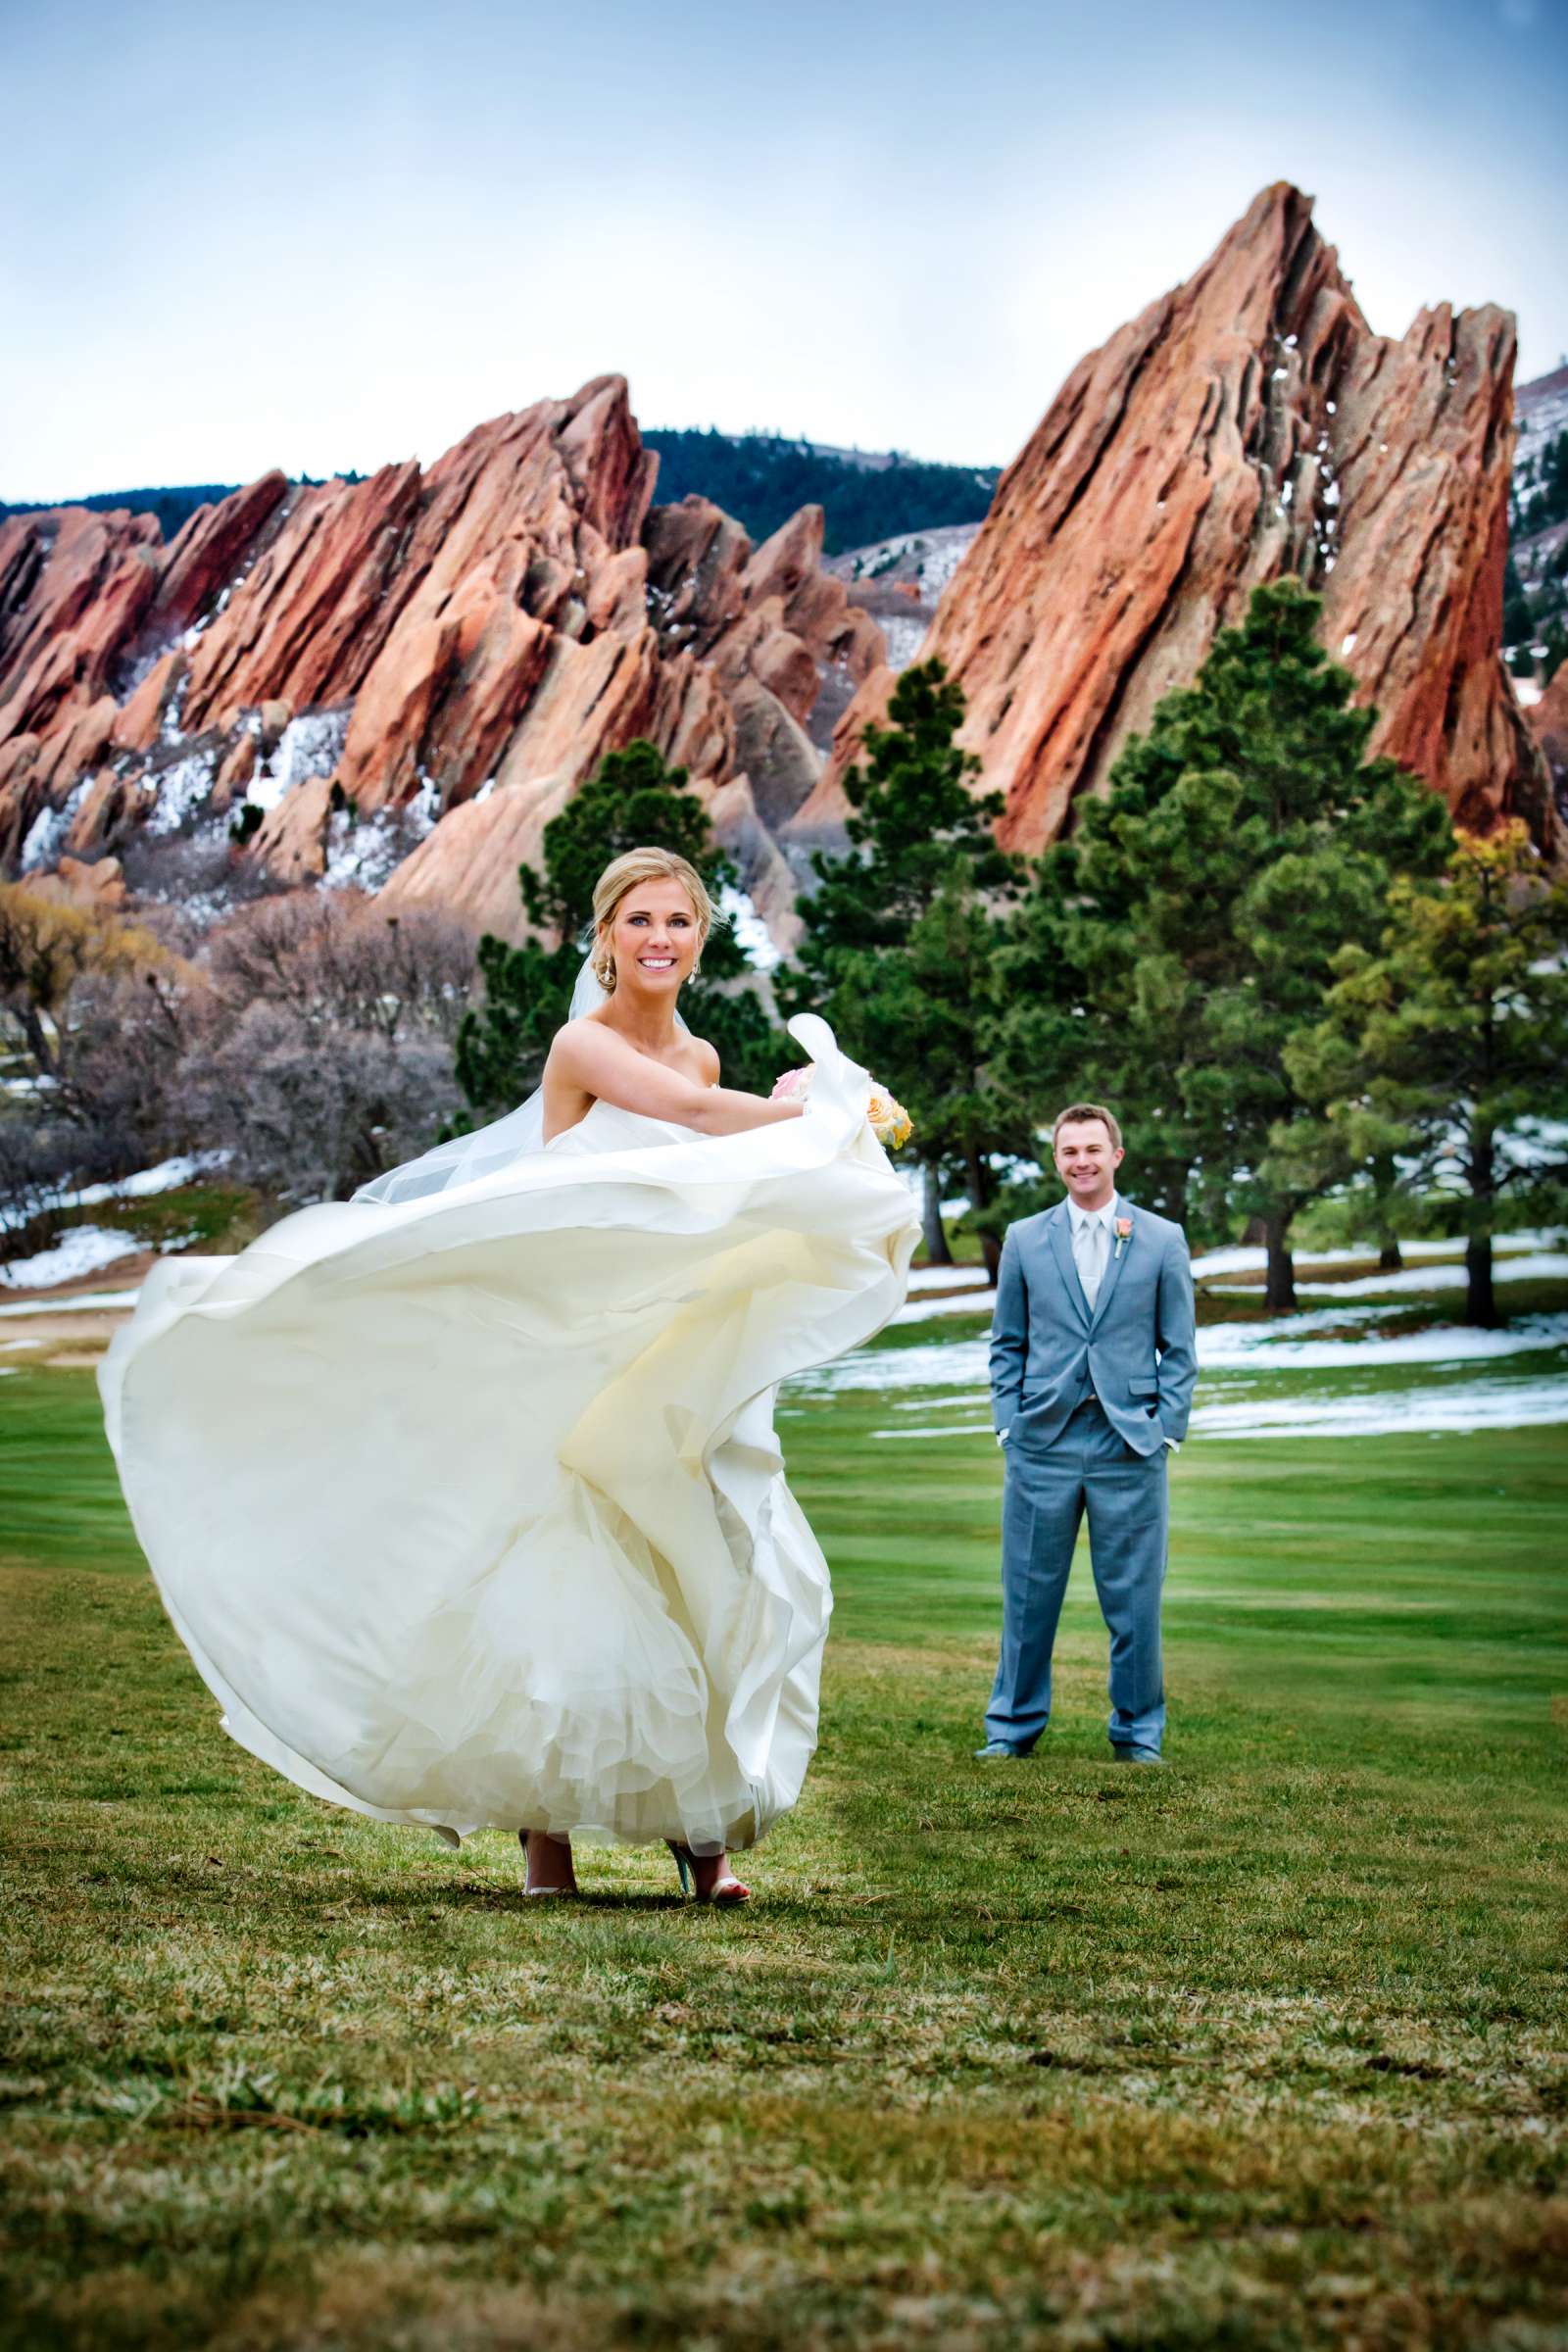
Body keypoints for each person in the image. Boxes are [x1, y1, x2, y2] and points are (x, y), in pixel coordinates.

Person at [100, 847, 919, 1901]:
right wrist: (825, 1116)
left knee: (703, 1555)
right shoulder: (581, 1044)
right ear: (606, 937)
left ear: (700, 938)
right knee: (557, 1571)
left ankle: (702, 1845)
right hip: (561, 1341)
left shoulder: (708, 1057)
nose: (658, 938)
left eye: (677, 921)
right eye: (638, 920)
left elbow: (707, 1175)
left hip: (658, 1343)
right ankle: (548, 1847)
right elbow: (692, 1125)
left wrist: (810, 1118)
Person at [977, 1102, 1197, 1764]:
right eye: (1069, 1151)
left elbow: (1179, 1348)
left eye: (1093, 1150)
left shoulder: (1161, 1239)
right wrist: (1007, 1424)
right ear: (1056, 1161)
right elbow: (1006, 1342)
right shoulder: (1024, 1238)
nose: (1082, 1162)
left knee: (1134, 1603)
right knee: (1027, 1598)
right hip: (1041, 1443)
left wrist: (1166, 1430)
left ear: (1116, 1156)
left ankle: (1138, 1733)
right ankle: (1011, 1730)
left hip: (1129, 1446)